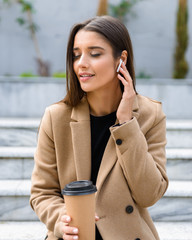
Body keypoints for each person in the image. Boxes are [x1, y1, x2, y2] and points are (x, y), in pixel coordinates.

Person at [30, 16, 169, 240]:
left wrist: (126, 125)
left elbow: (149, 195)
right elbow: (42, 192)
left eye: (94, 53)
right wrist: (62, 220)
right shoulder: (56, 117)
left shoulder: (150, 115)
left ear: (121, 59)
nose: (81, 63)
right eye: (76, 55)